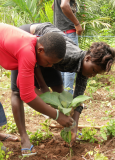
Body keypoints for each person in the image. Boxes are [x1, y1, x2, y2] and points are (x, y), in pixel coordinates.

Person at [11, 22, 115, 149]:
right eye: (93, 70)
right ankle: (24, 138)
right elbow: (36, 57)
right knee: (17, 92)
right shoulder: (68, 55)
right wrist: (43, 86)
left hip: (49, 57)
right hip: (30, 40)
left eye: (96, 74)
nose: (92, 75)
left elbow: (78, 98)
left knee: (60, 92)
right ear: (87, 58)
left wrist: (74, 126)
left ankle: (67, 130)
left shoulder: (84, 68)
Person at [0, 23, 74, 156]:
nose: (50, 66)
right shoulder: (27, 50)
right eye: (48, 62)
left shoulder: (35, 43)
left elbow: (22, 84)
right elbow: (26, 95)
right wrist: (57, 115)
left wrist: (48, 100)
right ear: (40, 50)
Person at [52, 0, 83, 94]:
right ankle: (68, 98)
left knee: (61, 64)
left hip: (59, 31)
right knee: (71, 65)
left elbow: (54, 6)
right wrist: (77, 24)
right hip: (69, 32)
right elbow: (64, 5)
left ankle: (62, 97)